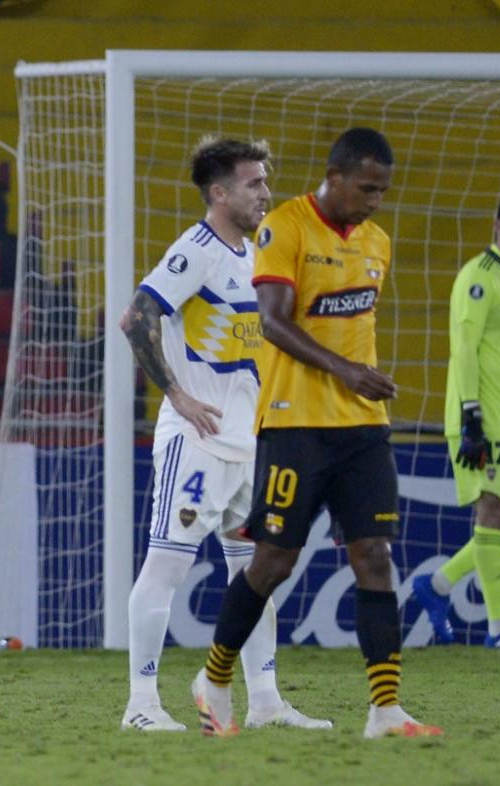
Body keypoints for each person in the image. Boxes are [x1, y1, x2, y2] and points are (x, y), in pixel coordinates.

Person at [189, 128, 442, 740]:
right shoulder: (286, 227)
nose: (375, 200)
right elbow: (273, 324)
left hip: (362, 428)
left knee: (375, 558)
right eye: (366, 188)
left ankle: (385, 710)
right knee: (274, 561)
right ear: (335, 177)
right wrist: (349, 371)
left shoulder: (377, 240)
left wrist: (360, 382)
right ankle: (214, 678)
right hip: (294, 423)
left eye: (383, 190)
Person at [118, 138, 329, 733]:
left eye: (265, 181)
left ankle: (264, 701)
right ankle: (142, 705)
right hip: (198, 442)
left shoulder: (257, 252)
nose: (266, 192)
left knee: (254, 572)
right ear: (220, 193)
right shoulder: (197, 250)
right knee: (165, 569)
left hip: (249, 443)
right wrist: (177, 395)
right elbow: (137, 316)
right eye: (253, 183)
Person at [411, 193, 500, 650]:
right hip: (482, 418)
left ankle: (437, 584)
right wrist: (470, 415)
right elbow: (465, 350)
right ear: (498, 225)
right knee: (492, 514)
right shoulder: (478, 277)